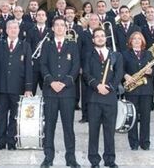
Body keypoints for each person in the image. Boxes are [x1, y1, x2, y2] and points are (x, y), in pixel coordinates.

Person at [40, 17, 81, 168]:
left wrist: (65, 83)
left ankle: (71, 158)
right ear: (52, 28)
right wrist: (51, 81)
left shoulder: (73, 45)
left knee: (68, 127)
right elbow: (42, 65)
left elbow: (76, 66)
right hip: (50, 92)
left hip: (67, 93)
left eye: (62, 25)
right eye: (56, 25)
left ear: (66, 28)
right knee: (49, 127)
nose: (59, 27)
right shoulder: (47, 45)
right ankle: (48, 158)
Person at [83, 28, 123, 168]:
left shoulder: (116, 55)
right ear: (93, 39)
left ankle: (110, 159)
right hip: (94, 98)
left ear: (106, 38)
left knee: (110, 131)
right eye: (97, 36)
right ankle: (94, 160)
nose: (100, 38)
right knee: (93, 131)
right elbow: (86, 74)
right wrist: (96, 85)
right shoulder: (88, 55)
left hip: (110, 98)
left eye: (102, 36)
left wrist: (110, 87)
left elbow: (119, 74)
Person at [0, 20, 33, 150]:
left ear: (19, 30)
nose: (13, 30)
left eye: (15, 28)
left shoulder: (25, 46)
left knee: (15, 116)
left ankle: (11, 141)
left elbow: (28, 67)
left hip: (18, 87)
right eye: (10, 28)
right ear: (6, 30)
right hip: (1, 88)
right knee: (1, 116)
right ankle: (0, 141)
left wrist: (28, 87)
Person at [122, 32, 154, 150]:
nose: (136, 40)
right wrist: (126, 76)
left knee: (146, 118)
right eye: (134, 39)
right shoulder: (124, 55)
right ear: (130, 41)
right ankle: (134, 143)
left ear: (143, 41)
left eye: (139, 39)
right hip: (132, 90)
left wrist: (151, 72)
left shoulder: (149, 54)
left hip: (146, 90)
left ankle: (145, 143)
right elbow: (120, 70)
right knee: (133, 118)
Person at [79, 13, 101, 123]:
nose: (93, 21)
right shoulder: (83, 34)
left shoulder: (103, 34)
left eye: (95, 19)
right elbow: (78, 51)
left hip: (100, 66)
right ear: (88, 22)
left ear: (99, 21)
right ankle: (85, 115)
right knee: (85, 92)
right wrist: (80, 66)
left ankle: (99, 115)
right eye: (91, 19)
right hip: (86, 66)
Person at [26, 9, 52, 95]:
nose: (41, 17)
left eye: (43, 15)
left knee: (48, 91)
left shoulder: (51, 32)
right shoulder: (30, 31)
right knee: (31, 90)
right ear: (36, 18)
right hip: (34, 65)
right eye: (39, 15)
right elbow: (28, 47)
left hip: (47, 65)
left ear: (46, 18)